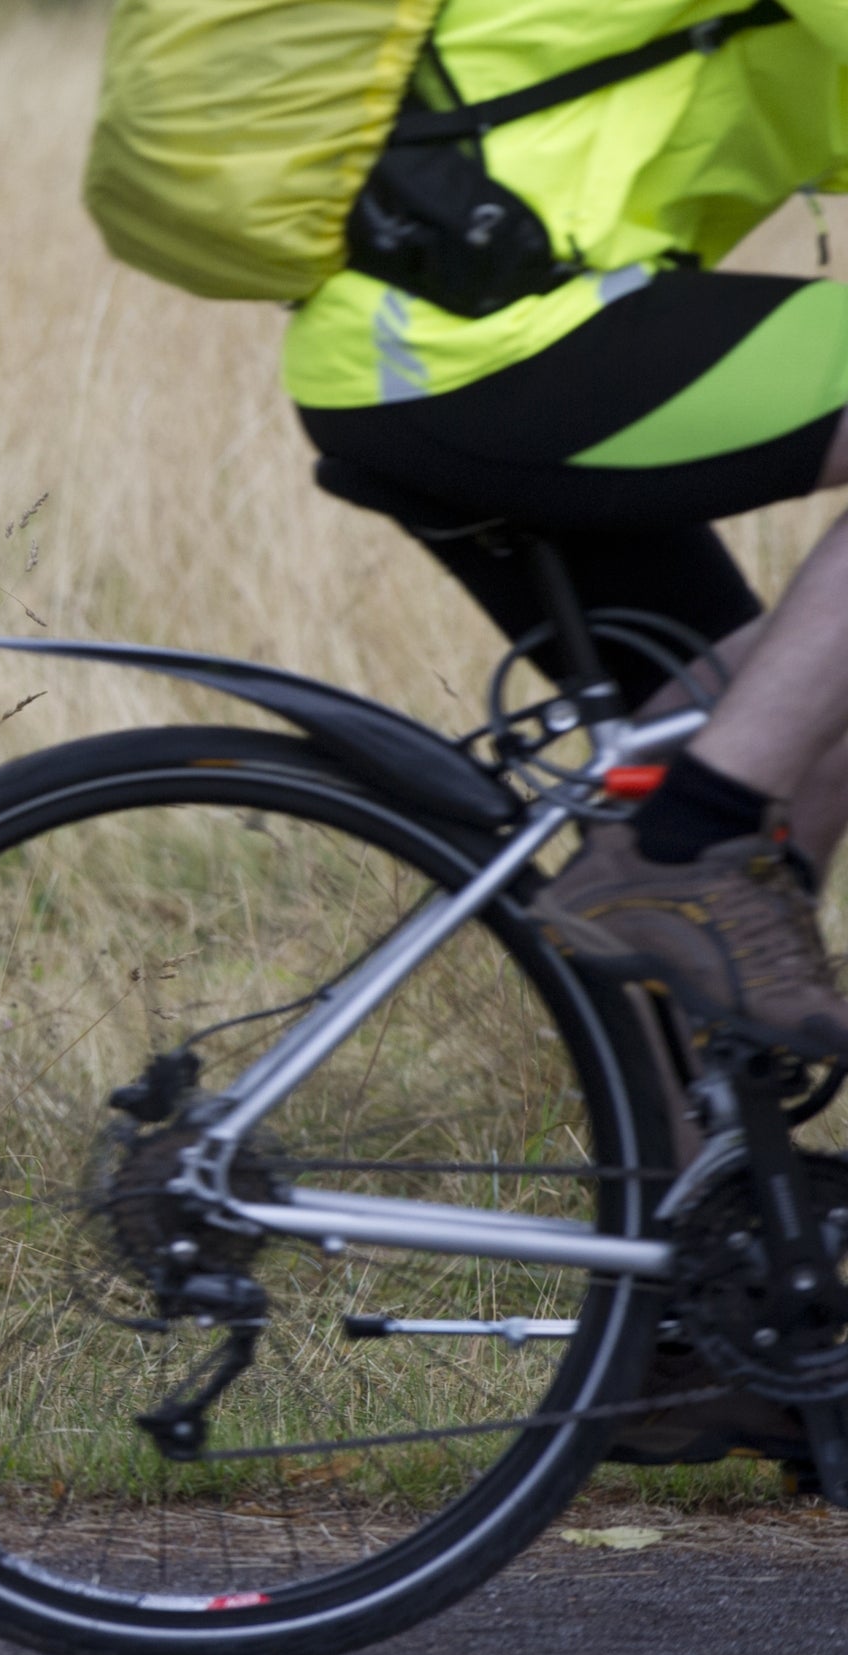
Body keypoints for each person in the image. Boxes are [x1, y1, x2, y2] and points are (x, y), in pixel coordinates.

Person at [290, 0, 848, 1059]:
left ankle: (703, 1181)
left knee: (768, 708)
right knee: (717, 795)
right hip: (485, 347)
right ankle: (686, 846)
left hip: (448, 350)